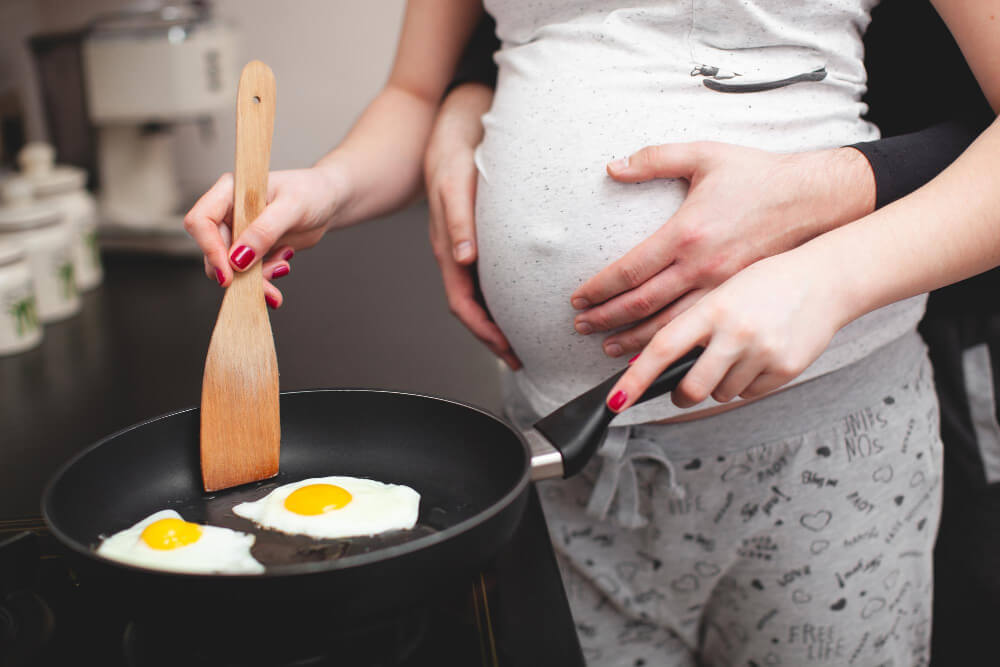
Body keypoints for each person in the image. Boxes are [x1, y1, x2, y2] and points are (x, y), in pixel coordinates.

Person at [183, 1, 999, 664]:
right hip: (561, 466)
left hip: (826, 449)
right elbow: (413, 95)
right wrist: (329, 184)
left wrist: (829, 276)